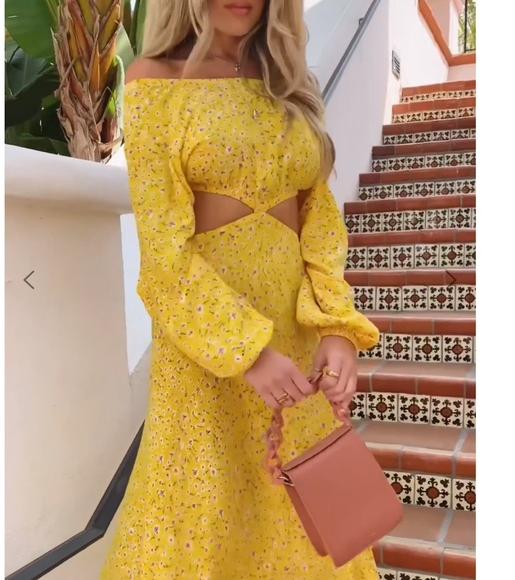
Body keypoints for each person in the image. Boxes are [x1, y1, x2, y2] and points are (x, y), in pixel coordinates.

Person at [100, 0, 380, 577]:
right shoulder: (154, 80)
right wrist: (246, 350)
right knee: (201, 519)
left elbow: (319, 220)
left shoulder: (289, 84)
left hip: (295, 344)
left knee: (303, 515)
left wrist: (335, 327)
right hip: (208, 351)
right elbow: (163, 254)